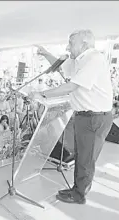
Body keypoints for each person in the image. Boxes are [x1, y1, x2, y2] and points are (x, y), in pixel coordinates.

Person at [30, 29, 113, 204]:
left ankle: (79, 195)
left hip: (94, 118)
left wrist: (42, 94)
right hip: (85, 116)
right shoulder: (79, 60)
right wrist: (45, 53)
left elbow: (71, 86)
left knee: (86, 158)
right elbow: (60, 66)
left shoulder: (93, 59)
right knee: (81, 155)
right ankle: (77, 188)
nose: (68, 47)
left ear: (84, 44)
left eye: (71, 43)